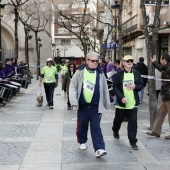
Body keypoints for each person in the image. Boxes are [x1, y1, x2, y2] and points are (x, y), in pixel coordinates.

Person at [69, 52, 110, 158]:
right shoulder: (79, 72)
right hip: (83, 106)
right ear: (87, 61)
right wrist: (73, 102)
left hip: (96, 107)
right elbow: (73, 87)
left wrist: (106, 103)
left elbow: (105, 88)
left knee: (96, 127)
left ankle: (99, 148)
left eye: (97, 61)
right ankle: (82, 141)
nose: (95, 63)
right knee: (82, 126)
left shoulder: (100, 74)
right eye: (92, 61)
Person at [112, 55, 144, 150]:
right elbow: (115, 87)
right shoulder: (119, 74)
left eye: (131, 61)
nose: (130, 62)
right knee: (118, 119)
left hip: (133, 103)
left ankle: (133, 141)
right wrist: (121, 97)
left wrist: (135, 87)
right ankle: (115, 130)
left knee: (133, 123)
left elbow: (141, 84)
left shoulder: (136, 73)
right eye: (127, 61)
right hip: (122, 104)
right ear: (124, 63)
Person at [146, 53, 170, 139]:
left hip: (169, 95)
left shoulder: (168, 67)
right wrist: (154, 62)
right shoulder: (166, 67)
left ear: (164, 59)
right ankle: (156, 131)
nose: (160, 61)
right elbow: (161, 68)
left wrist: (154, 62)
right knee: (160, 112)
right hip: (166, 95)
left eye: (161, 59)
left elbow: (162, 69)